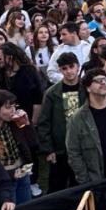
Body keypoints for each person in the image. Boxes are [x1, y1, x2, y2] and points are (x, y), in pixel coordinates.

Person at [36, 53, 84, 191]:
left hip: (82, 145)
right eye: (64, 68)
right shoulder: (52, 93)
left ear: (78, 67)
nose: (69, 71)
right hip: (60, 148)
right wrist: (48, 149)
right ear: (60, 70)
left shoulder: (86, 90)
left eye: (71, 67)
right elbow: (44, 123)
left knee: (81, 183)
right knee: (57, 185)